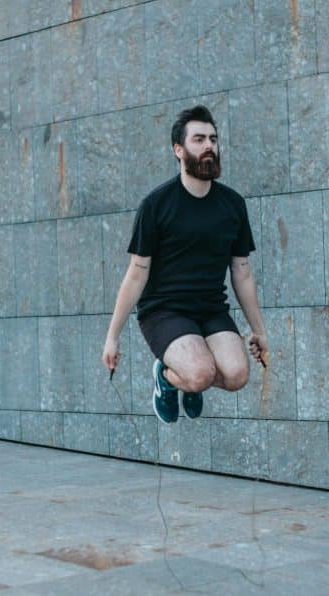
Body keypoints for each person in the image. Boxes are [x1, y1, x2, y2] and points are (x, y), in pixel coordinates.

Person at [101, 106, 268, 424]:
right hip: (164, 311)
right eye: (199, 139)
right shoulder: (156, 205)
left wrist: (259, 331)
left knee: (236, 376)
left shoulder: (232, 204)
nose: (209, 146)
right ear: (179, 150)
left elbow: (241, 271)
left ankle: (194, 378)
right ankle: (167, 376)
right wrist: (113, 336)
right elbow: (137, 273)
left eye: (213, 139)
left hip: (210, 309)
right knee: (200, 374)